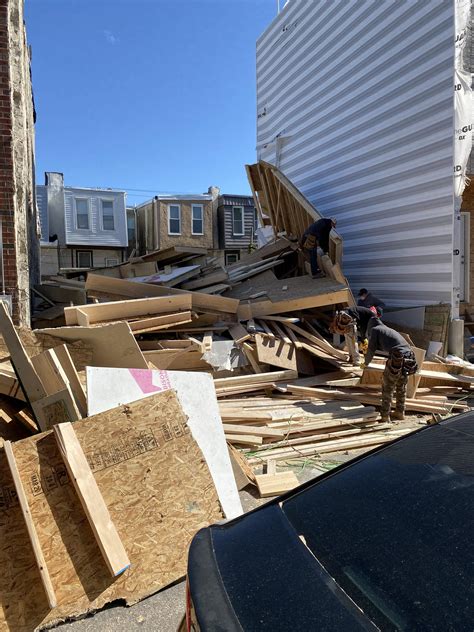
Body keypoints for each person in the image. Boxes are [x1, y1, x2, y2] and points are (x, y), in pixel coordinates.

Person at [363, 318, 418, 423]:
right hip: (409, 359)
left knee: (388, 388)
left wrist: (365, 363)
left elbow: (371, 349)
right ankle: (400, 413)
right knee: (401, 387)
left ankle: (385, 416)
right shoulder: (387, 330)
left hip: (397, 358)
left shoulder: (375, 329)